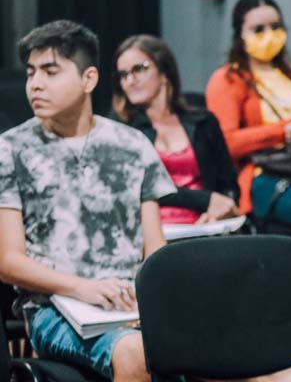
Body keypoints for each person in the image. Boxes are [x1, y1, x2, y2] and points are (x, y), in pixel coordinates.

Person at [0, 21, 175, 382]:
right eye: (31, 72)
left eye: (51, 72)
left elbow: (156, 249)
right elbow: (7, 262)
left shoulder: (133, 145)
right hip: (55, 308)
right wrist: (83, 287)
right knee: (134, 352)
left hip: (132, 305)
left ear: (89, 79)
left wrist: (152, 301)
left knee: (234, 350)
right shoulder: (10, 149)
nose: (35, 83)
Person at [205, 0, 291, 264]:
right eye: (258, 29)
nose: (270, 34)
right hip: (262, 177)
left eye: (276, 27)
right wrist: (282, 131)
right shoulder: (228, 79)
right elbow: (224, 143)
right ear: (240, 33)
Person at [112, 34, 241, 225]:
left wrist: (221, 211)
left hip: (206, 227)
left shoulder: (204, 122)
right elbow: (135, 187)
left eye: (138, 69)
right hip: (149, 232)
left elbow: (228, 184)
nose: (130, 80)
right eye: (123, 75)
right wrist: (205, 200)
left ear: (164, 71)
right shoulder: (121, 130)